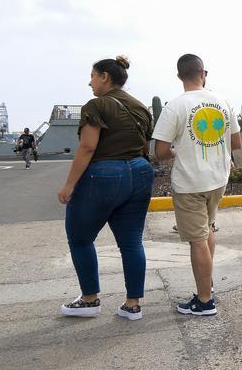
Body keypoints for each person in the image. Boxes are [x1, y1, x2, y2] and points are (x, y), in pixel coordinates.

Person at [57, 55, 155, 320]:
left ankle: (90, 299)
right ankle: (132, 304)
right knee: (132, 242)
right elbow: (145, 145)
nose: (89, 82)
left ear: (105, 77)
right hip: (140, 171)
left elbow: (88, 146)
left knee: (79, 238)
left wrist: (69, 184)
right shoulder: (140, 107)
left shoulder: (96, 105)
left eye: (92, 76)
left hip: (104, 174)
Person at [153, 54, 241, 317]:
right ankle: (207, 281)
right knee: (208, 228)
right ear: (204, 74)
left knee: (197, 240)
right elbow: (235, 144)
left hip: (190, 183)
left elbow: (160, 151)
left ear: (179, 76)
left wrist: (178, 150)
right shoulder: (224, 101)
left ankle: (204, 301)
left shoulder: (175, 107)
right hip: (218, 179)